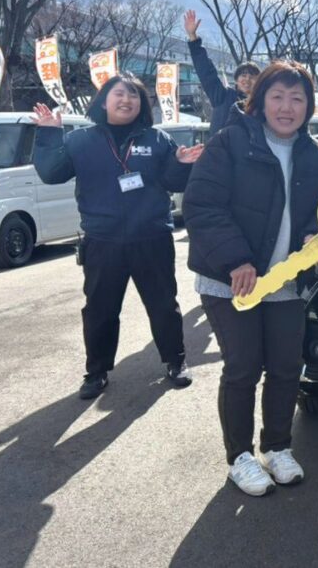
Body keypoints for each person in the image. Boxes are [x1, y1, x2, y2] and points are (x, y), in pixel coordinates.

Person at [183, 61, 318, 497]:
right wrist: (236, 260)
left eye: (297, 98)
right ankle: (240, 457)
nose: (287, 107)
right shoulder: (229, 142)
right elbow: (202, 206)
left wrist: (315, 236)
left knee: (286, 367)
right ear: (260, 101)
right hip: (233, 280)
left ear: (309, 105)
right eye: (277, 97)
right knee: (243, 367)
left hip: (285, 281)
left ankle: (277, 447)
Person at [31, 76, 204, 400]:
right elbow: (51, 173)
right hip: (102, 240)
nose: (127, 100)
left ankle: (176, 361)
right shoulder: (81, 140)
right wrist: (49, 132)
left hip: (152, 237)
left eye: (135, 95)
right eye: (120, 94)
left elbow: (173, 183)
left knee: (163, 305)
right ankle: (96, 372)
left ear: (142, 104)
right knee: (100, 310)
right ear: (104, 100)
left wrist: (181, 164)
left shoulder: (157, 139)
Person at [184, 10, 260, 134]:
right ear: (236, 80)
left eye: (252, 76)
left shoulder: (263, 104)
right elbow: (206, 72)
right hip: (221, 146)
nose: (247, 79)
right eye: (243, 75)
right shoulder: (223, 96)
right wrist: (193, 39)